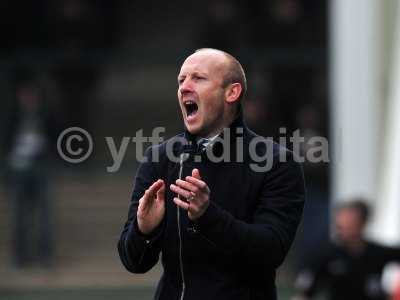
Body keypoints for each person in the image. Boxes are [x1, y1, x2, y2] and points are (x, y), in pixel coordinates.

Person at [118, 48, 306, 300]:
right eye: (181, 80)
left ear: (232, 92)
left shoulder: (277, 162)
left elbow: (270, 251)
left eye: (198, 78)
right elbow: (134, 262)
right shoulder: (160, 159)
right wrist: (144, 230)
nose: (185, 87)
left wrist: (207, 216)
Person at [292, 199, 400, 300]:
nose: (343, 229)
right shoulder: (327, 254)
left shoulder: (377, 253)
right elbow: (305, 291)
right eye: (340, 225)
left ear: (362, 224)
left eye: (350, 224)